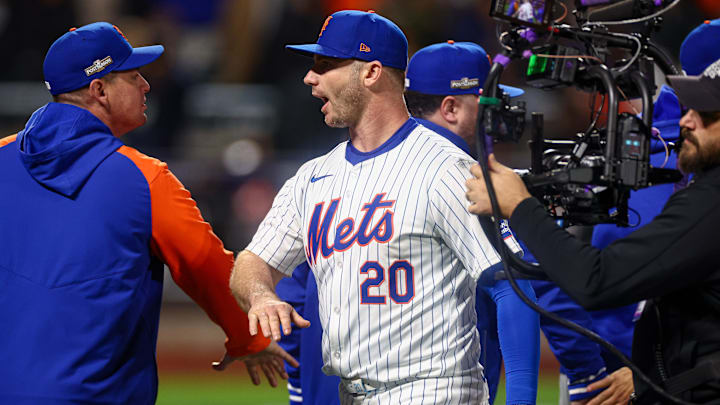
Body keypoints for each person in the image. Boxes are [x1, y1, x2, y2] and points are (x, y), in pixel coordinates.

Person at [230, 10, 522, 404]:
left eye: (325, 65)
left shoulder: (443, 167)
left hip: (434, 391)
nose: (309, 78)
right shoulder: (314, 176)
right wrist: (262, 295)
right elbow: (250, 263)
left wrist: (522, 397)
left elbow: (510, 284)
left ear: (371, 73)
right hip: (351, 393)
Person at [0, 22, 295, 404]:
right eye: (134, 75)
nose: (146, 85)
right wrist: (248, 337)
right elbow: (208, 267)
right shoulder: (144, 179)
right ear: (99, 90)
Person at [465, 56, 720, 404]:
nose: (687, 120)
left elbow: (596, 281)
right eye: (688, 108)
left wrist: (520, 206)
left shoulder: (710, 202)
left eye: (705, 113)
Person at [404, 40, 540, 405]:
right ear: (451, 108)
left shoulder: (352, 170)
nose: (498, 109)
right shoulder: (465, 178)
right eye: (488, 99)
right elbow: (518, 287)